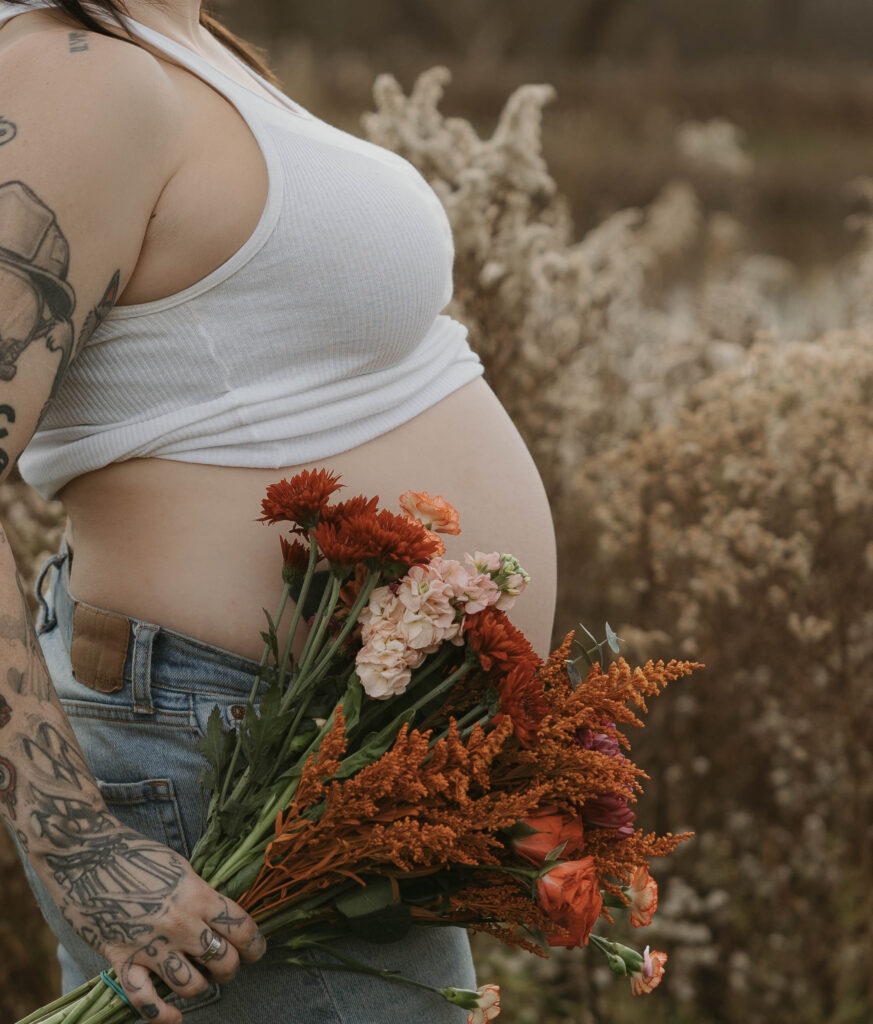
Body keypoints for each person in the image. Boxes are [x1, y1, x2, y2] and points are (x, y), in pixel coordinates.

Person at [0, 0, 559, 1020]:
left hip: (324, 745)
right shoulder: (79, 74)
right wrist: (73, 836)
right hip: (218, 758)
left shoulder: (177, 42)